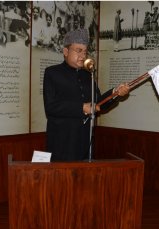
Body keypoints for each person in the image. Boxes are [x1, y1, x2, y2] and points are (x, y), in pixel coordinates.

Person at [43, 29, 130, 161]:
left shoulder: (87, 75)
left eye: (85, 51)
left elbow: (98, 102)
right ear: (66, 52)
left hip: (84, 142)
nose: (83, 56)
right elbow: (51, 107)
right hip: (61, 144)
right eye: (78, 50)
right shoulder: (52, 73)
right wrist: (81, 108)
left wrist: (115, 93)